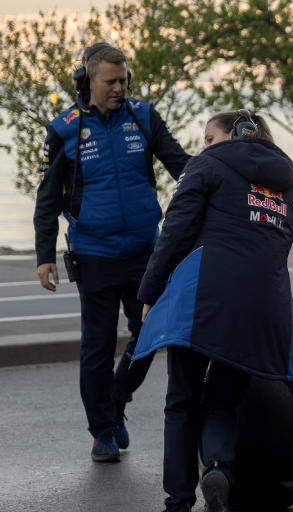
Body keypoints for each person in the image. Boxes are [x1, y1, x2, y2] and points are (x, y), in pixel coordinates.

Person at [132, 110, 293, 512]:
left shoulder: (207, 165)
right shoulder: (289, 188)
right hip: (261, 312)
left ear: (229, 138)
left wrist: (148, 294)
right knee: (220, 404)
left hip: (204, 299)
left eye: (207, 137)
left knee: (182, 401)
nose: (204, 145)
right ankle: (217, 469)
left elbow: (175, 230)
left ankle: (177, 510)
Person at [33, 43, 190, 461]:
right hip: (95, 254)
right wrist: (44, 255)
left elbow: (182, 166)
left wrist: (228, 167)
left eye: (124, 79)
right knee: (98, 347)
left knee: (149, 334)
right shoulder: (64, 129)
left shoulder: (143, 116)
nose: (119, 87)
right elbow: (48, 200)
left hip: (145, 252)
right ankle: (102, 430)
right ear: (87, 82)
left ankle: (117, 400)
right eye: (111, 81)